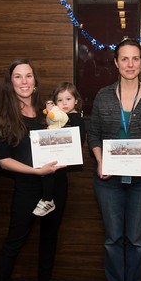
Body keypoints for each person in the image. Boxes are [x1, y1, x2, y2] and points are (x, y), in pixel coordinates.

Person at [87, 38, 141, 281]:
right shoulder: (104, 95)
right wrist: (99, 161)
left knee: (135, 239)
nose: (130, 64)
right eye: (125, 59)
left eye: (135, 59)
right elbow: (93, 133)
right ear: (117, 63)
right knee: (113, 238)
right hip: (109, 180)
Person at [0, 59, 66, 281]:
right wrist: (35, 172)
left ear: (35, 80)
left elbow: (67, 137)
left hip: (56, 184)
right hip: (28, 187)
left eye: (28, 76)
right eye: (18, 77)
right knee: (13, 244)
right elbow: (3, 161)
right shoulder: (4, 115)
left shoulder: (50, 111)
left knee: (49, 237)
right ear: (10, 82)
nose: (24, 81)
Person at [33, 82, 86, 216]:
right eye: (60, 100)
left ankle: (47, 199)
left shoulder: (77, 120)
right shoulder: (56, 118)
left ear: (76, 101)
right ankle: (46, 199)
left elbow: (78, 143)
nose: (64, 103)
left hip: (62, 167)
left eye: (68, 99)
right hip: (49, 165)